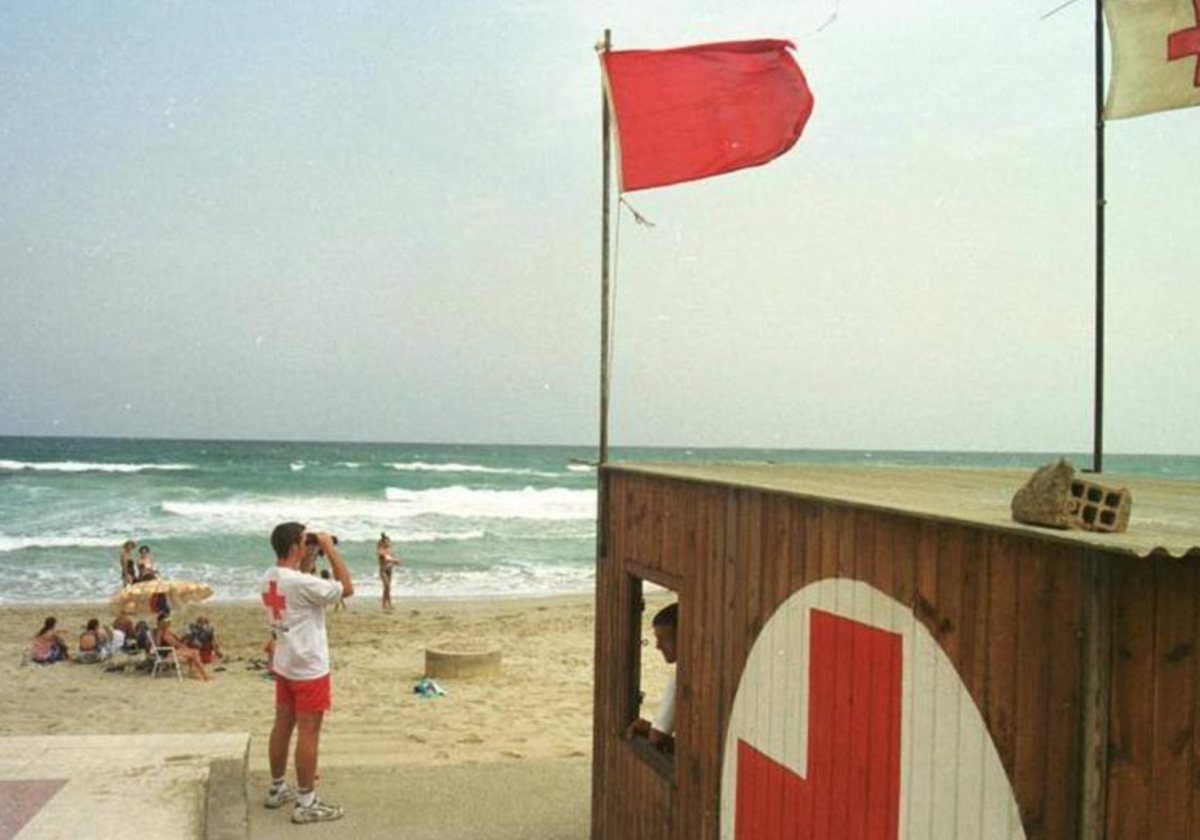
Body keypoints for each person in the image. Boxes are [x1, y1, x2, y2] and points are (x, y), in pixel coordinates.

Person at [261, 523, 353, 824]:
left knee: (282, 726)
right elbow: (346, 588)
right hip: (309, 668)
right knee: (309, 733)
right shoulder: (300, 583)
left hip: (285, 663)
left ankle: (277, 789)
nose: (308, 544)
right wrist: (329, 547)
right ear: (295, 548)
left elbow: (301, 583)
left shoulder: (270, 577)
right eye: (305, 541)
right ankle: (306, 802)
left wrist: (310, 555)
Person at [624, 603, 678, 754]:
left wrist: (646, 728)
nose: (658, 646)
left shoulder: (681, 678)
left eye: (664, 639)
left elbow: (657, 738)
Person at [154, 614, 210, 681]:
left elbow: (177, 642)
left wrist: (184, 638)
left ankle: (195, 672)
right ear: (161, 622)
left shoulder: (168, 631)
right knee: (194, 653)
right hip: (168, 654)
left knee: (194, 651)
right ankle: (203, 674)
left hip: (174, 651)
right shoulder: (160, 631)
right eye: (166, 621)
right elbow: (158, 645)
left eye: (168, 620)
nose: (168, 622)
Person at [376, 533, 403, 612]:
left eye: (389, 542)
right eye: (387, 542)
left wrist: (396, 563)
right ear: (383, 542)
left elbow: (390, 560)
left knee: (388, 588)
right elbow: (385, 559)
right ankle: (384, 604)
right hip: (383, 570)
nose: (388, 543)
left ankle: (389, 603)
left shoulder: (389, 550)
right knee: (386, 586)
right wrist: (396, 560)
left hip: (389, 570)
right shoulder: (380, 550)